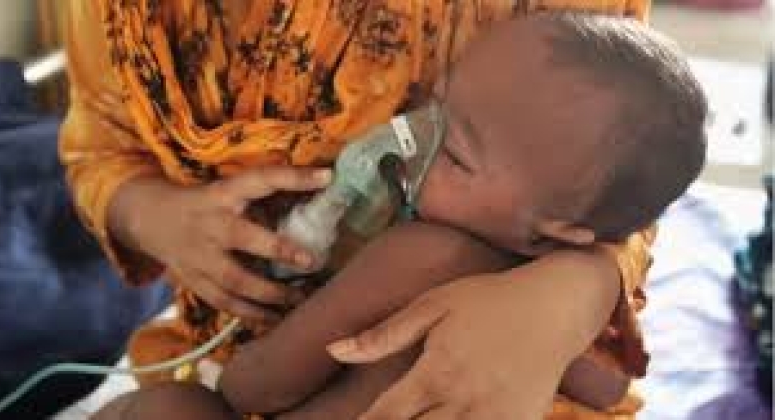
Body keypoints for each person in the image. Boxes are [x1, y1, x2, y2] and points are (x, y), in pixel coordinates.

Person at [91, 11, 706, 420]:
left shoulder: (414, 254)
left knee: (167, 407)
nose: (411, 139)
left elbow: (259, 386)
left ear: (559, 231)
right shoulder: (541, 296)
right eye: (433, 108)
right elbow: (608, 387)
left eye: (455, 155)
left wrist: (229, 371)